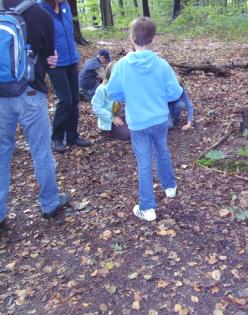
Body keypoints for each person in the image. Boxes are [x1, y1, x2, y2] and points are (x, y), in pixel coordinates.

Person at [0, 0, 69, 227]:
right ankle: (49, 202)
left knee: (1, 153)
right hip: (30, 92)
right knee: (40, 150)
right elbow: (50, 57)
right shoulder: (39, 13)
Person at [106, 17, 182, 222]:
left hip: (138, 122)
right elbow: (175, 92)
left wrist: (128, 96)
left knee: (144, 161)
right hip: (159, 119)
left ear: (131, 39)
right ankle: (170, 187)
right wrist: (158, 97)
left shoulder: (122, 65)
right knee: (162, 150)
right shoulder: (162, 64)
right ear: (154, 39)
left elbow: (111, 91)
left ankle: (147, 207)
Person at [41, 0, 91, 153]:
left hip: (72, 60)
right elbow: (37, 36)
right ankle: (56, 138)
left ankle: (72, 136)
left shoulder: (65, 6)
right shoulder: (41, 8)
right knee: (65, 100)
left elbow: (69, 32)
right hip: (56, 63)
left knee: (75, 99)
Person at [91, 61, 130, 141]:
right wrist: (112, 118)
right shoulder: (102, 89)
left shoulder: (126, 86)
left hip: (127, 116)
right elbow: (97, 107)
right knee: (127, 134)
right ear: (110, 75)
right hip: (112, 120)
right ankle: (109, 133)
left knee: (141, 129)